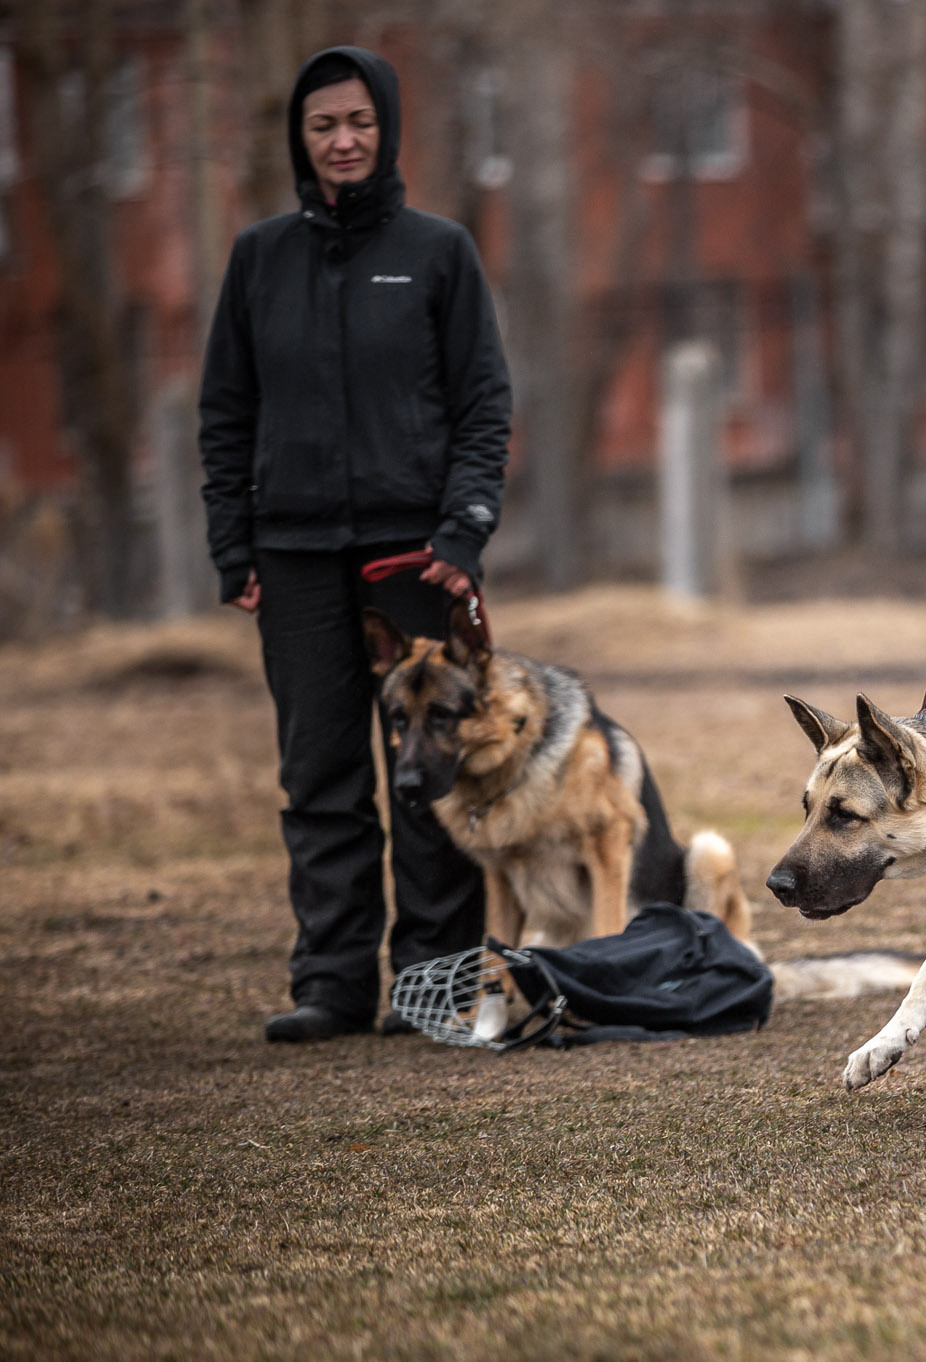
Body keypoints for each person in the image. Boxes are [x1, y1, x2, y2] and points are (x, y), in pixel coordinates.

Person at [199, 46, 512, 1041]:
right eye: (323, 125)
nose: (342, 141)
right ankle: (330, 983)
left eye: (359, 122)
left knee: (431, 768)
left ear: (387, 130)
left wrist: (463, 527)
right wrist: (233, 547)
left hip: (415, 555)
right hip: (292, 556)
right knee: (318, 773)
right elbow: (225, 412)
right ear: (300, 138)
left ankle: (431, 982)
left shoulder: (438, 251)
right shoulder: (258, 258)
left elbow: (483, 403)